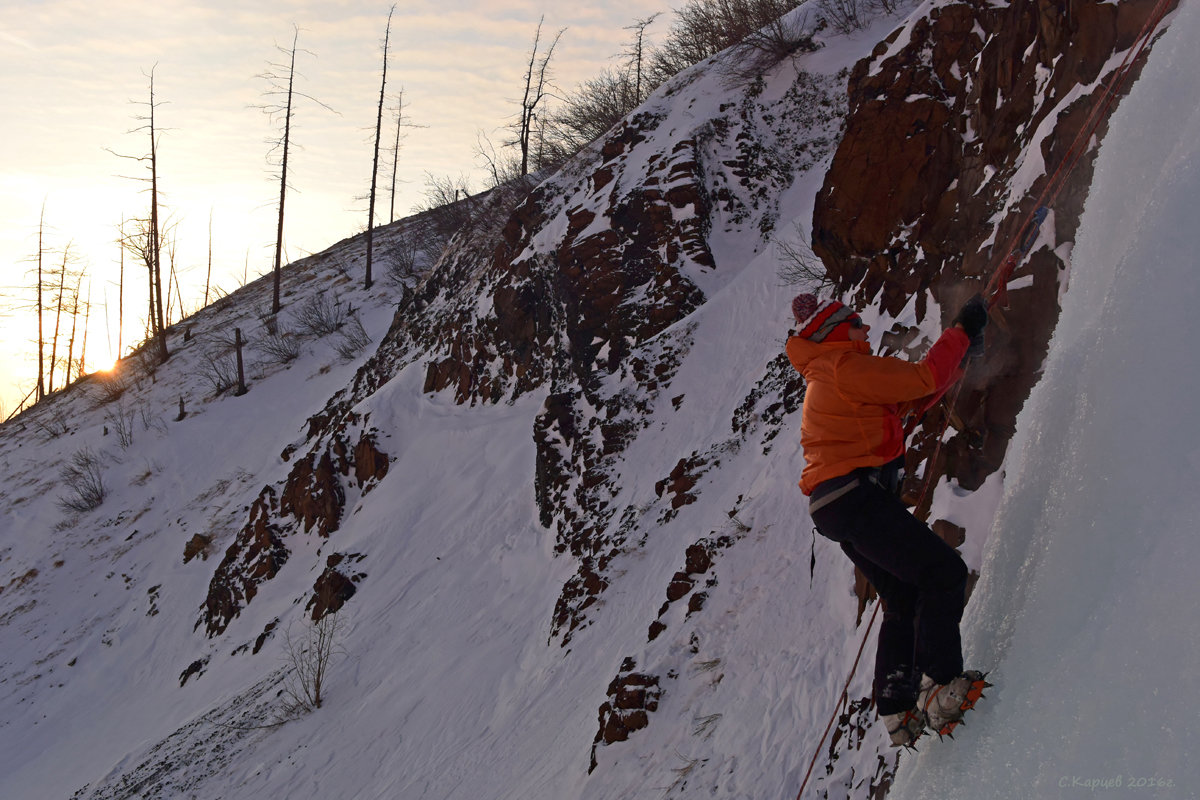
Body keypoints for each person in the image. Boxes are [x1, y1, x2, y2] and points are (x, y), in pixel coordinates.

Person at [786, 293, 989, 746]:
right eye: (856, 322)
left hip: (835, 504)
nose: (865, 328)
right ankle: (940, 686)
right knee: (943, 573)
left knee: (900, 596)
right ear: (835, 330)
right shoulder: (844, 367)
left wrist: (957, 362)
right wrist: (962, 329)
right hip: (854, 495)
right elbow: (921, 377)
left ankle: (897, 708)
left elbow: (909, 401)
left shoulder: (829, 375)